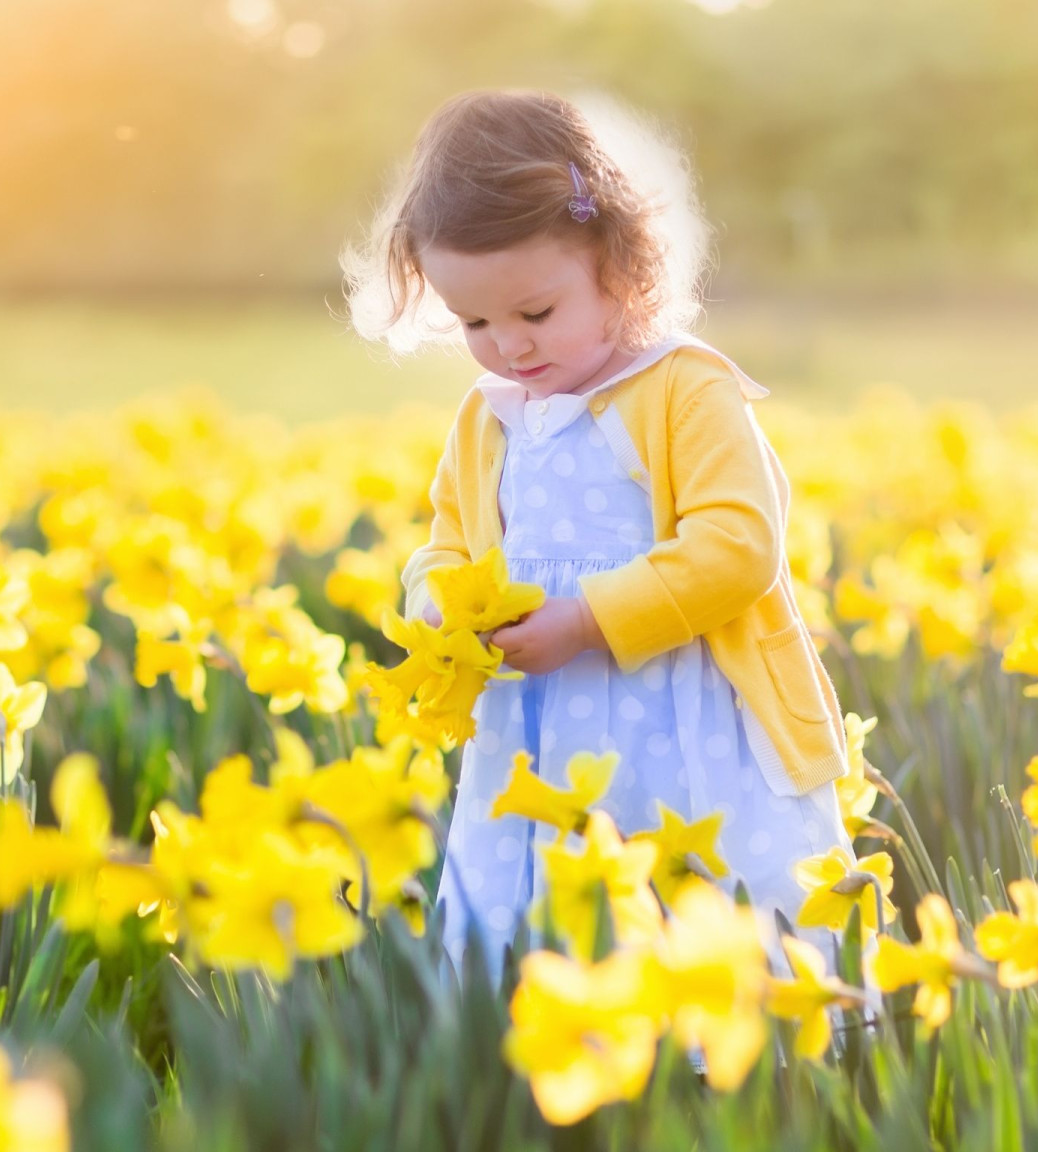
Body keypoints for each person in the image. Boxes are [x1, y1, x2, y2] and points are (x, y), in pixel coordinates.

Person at [340, 89, 856, 983]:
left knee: (702, 918)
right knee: (546, 921)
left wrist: (587, 621)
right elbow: (449, 543)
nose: (509, 346)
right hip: (533, 731)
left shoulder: (685, 389)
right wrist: (436, 606)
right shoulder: (490, 416)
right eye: (474, 323)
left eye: (535, 314)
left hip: (687, 719)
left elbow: (738, 548)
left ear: (620, 268)